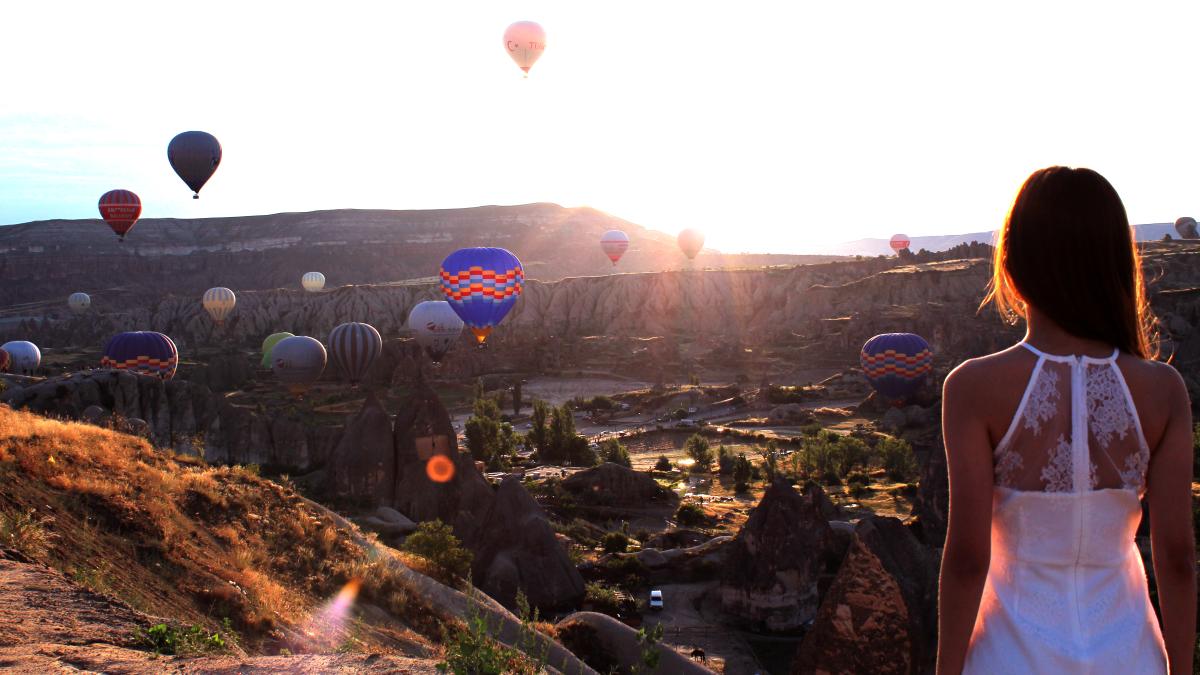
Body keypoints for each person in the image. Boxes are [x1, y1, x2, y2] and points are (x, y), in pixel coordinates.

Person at [937, 167, 1196, 674]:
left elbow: (968, 559)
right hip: (1130, 654)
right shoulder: (1164, 391)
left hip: (1007, 656)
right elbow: (1179, 558)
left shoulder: (973, 387)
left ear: (1010, 265)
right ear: (1119, 265)